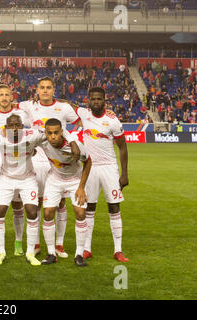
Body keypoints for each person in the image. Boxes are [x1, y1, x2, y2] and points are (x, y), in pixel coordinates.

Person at [0, 114, 76, 266]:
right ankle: (1, 252)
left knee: (32, 211)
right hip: (6, 178)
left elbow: (52, 133)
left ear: (22, 127)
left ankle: (30, 252)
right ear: (6, 127)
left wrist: (72, 139)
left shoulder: (32, 135)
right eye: (11, 125)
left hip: (27, 179)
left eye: (17, 125)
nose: (14, 128)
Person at [18, 76, 81, 258]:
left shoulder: (64, 107)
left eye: (48, 87)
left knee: (60, 203)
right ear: (37, 90)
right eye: (42, 87)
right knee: (37, 204)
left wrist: (72, 139)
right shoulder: (29, 105)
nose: (45, 90)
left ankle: (59, 244)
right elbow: (7, 104)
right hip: (37, 159)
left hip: (56, 160)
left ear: (54, 90)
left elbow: (80, 120)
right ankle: (37, 242)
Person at [76, 87, 129, 263]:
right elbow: (65, 104)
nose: (96, 102)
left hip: (109, 168)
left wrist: (124, 174)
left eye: (99, 99)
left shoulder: (113, 121)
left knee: (114, 207)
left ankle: (118, 250)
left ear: (104, 100)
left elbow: (122, 147)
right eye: (93, 99)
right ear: (88, 100)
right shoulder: (84, 114)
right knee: (89, 208)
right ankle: (87, 249)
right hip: (90, 168)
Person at [0, 84, 31, 256]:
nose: (3, 97)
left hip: (17, 161)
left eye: (7, 94)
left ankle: (18, 242)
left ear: (12, 97)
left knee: (18, 204)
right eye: (0, 94)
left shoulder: (21, 114)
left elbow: (33, 128)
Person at [39, 118, 92, 267]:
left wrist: (81, 187)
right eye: (49, 133)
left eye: (56, 133)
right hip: (55, 179)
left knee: (80, 213)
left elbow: (88, 161)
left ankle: (79, 254)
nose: (53, 136)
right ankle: (51, 253)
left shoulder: (74, 147)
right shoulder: (42, 141)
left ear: (62, 132)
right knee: (48, 213)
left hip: (75, 180)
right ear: (45, 133)